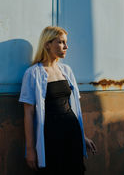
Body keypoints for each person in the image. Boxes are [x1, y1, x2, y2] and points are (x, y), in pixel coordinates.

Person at [19, 26, 96, 174]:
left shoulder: (66, 71)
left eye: (66, 42)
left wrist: (82, 135)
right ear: (47, 44)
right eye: (61, 42)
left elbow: (74, 107)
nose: (66, 46)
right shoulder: (33, 73)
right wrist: (30, 150)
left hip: (72, 133)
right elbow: (28, 113)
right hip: (51, 136)